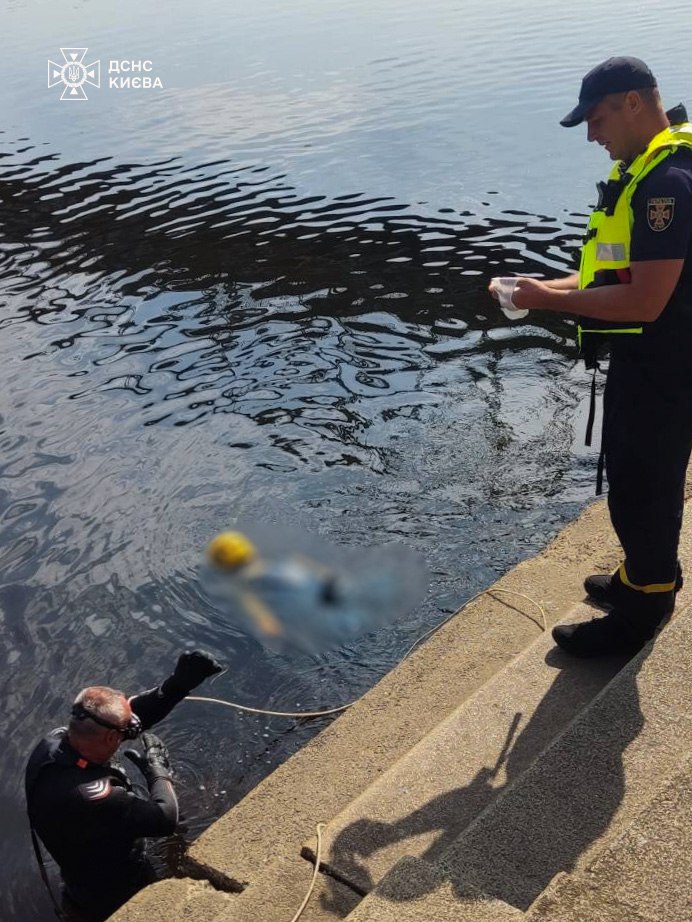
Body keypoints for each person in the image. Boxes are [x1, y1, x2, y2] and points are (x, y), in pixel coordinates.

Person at [494, 57, 692, 657]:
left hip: (666, 365)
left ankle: (645, 606)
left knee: (643, 486)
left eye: (597, 117)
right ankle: (642, 577)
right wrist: (540, 288)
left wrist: (544, 304)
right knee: (641, 478)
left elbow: (646, 298)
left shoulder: (666, 186)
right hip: (657, 361)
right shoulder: (653, 167)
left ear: (634, 102)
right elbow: (612, 273)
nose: (591, 134)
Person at [25, 650, 223, 920]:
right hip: (116, 893)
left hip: (78, 879)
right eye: (124, 735)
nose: (129, 735)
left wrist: (175, 686)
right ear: (109, 739)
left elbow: (124, 716)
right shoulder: (98, 797)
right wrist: (157, 771)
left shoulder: (54, 745)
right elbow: (165, 820)